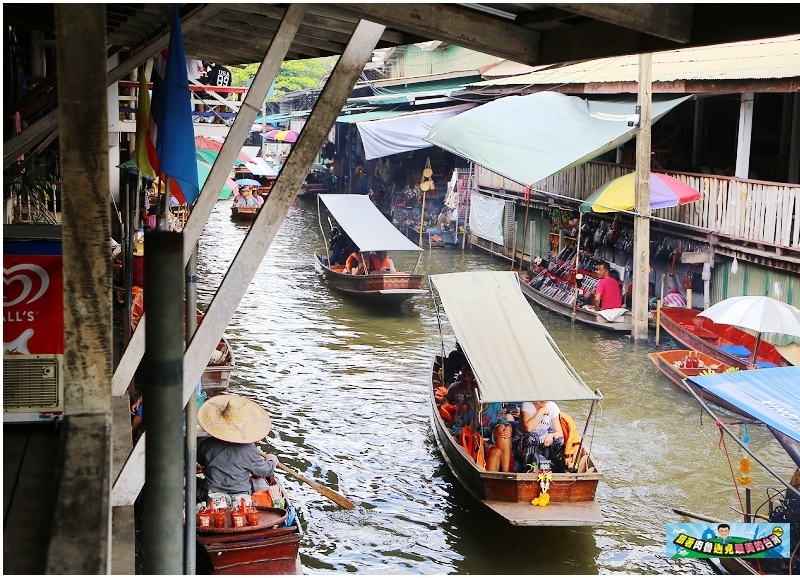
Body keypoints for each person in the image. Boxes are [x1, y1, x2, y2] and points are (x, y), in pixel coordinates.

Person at [196, 394, 279, 503]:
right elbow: (264, 471)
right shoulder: (249, 449)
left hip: (210, 494)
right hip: (240, 497)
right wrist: (272, 460)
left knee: (195, 484)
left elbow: (201, 461)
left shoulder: (206, 444)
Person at [512, 400, 565, 472]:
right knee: (531, 437)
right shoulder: (527, 404)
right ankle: (532, 471)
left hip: (542, 445)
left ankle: (552, 470)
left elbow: (559, 432)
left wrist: (551, 435)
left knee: (559, 440)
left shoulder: (552, 406)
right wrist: (541, 412)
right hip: (523, 444)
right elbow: (529, 428)